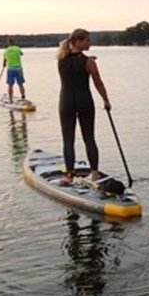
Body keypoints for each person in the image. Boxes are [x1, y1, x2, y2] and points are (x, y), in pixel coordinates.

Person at [57, 28, 111, 185]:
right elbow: (98, 83)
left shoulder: (61, 59)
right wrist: (106, 101)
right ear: (78, 41)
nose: (90, 43)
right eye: (87, 40)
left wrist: (87, 59)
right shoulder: (89, 62)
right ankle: (94, 174)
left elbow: (73, 61)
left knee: (68, 140)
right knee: (89, 138)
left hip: (66, 102)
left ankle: (69, 176)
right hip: (84, 101)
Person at [3, 37, 27, 103]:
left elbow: (4, 62)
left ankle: (10, 100)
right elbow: (21, 54)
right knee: (20, 84)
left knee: (10, 85)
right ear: (14, 42)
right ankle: (23, 96)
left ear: (8, 43)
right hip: (18, 68)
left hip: (10, 69)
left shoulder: (6, 51)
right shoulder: (18, 48)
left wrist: (4, 65)